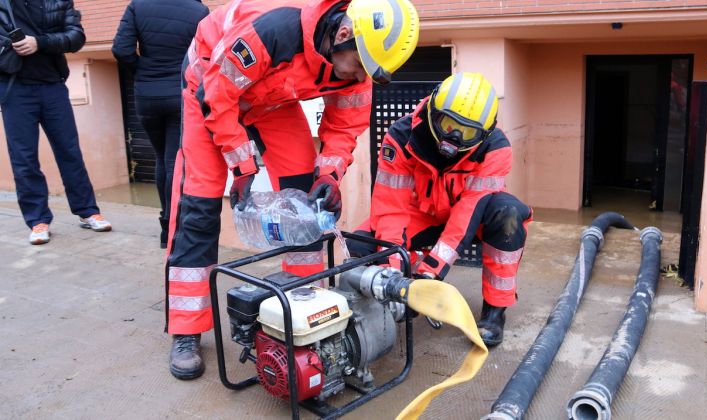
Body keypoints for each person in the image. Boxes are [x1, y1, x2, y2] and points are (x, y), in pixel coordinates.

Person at [165, 0, 419, 379]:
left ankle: (305, 302)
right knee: (199, 205)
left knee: (306, 202)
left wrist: (330, 175)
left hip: (270, 100)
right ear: (343, 34)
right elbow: (217, 96)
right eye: (359, 65)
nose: (360, 76)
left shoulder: (357, 65)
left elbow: (345, 125)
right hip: (208, 85)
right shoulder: (273, 32)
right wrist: (244, 165)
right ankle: (186, 330)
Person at [348, 73, 532, 348]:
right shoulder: (401, 136)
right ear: (434, 110)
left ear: (484, 133)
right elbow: (390, 209)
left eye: (467, 132)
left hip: (474, 214)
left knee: (508, 216)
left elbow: (468, 213)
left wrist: (430, 273)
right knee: (360, 244)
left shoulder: (496, 149)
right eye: (448, 125)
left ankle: (495, 312)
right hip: (422, 210)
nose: (454, 138)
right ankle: (380, 305)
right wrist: (393, 274)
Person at [0, 0, 111, 245]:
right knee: (23, 158)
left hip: (53, 85)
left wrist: (38, 42)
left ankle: (87, 211)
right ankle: (37, 220)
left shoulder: (59, 1)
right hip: (14, 88)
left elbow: (75, 37)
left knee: (69, 151)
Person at [112, 0, 209, 248]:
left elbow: (121, 49)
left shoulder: (138, 6)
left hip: (147, 94)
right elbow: (205, 55)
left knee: (160, 158)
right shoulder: (198, 11)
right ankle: (175, 227)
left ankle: (165, 229)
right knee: (174, 161)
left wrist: (144, 72)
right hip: (181, 93)